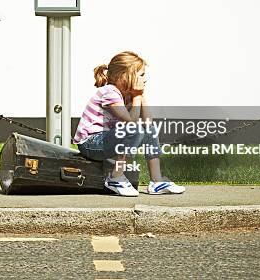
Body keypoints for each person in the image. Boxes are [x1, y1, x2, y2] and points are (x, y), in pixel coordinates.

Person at [73, 51, 185, 197]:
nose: (145, 79)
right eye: (141, 75)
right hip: (91, 143)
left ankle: (157, 181)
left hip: (108, 140)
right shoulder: (109, 92)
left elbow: (148, 123)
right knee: (134, 129)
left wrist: (141, 96)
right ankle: (115, 178)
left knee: (149, 130)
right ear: (125, 76)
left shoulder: (128, 96)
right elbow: (130, 123)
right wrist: (137, 96)